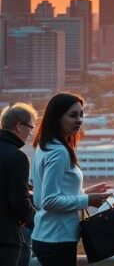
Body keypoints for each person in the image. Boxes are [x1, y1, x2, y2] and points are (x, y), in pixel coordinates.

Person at [30, 93, 111, 266]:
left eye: (81, 114)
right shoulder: (59, 152)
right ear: (57, 117)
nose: (79, 120)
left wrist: (86, 193)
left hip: (46, 235)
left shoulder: (44, 147)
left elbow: (44, 196)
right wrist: (87, 200)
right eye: (73, 115)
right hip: (57, 239)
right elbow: (49, 201)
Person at [1, 103, 37, 266]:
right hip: (5, 238)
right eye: (30, 127)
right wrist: (35, 220)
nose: (30, 133)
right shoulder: (17, 157)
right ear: (19, 126)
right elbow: (18, 200)